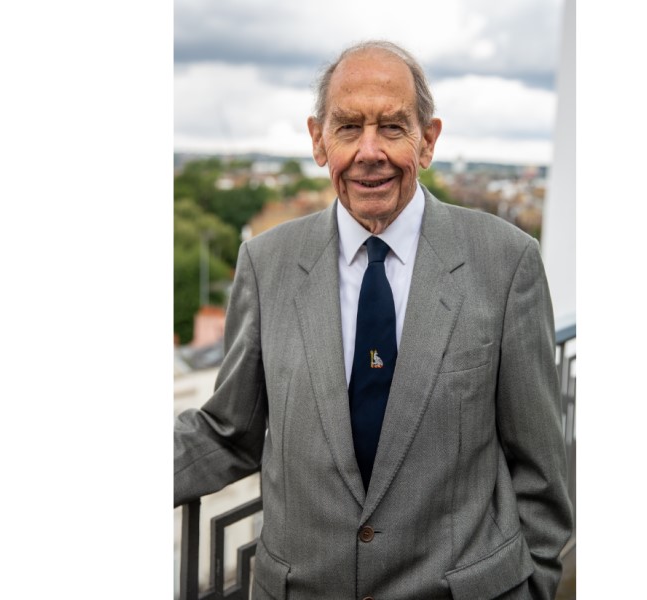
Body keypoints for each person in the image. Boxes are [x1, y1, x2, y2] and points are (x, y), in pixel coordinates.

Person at [174, 40, 572, 600]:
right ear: (318, 140)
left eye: (391, 127)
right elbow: (229, 431)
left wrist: (529, 590)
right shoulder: (266, 264)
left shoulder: (506, 264)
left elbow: (542, 473)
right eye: (347, 128)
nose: (369, 152)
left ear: (428, 140)